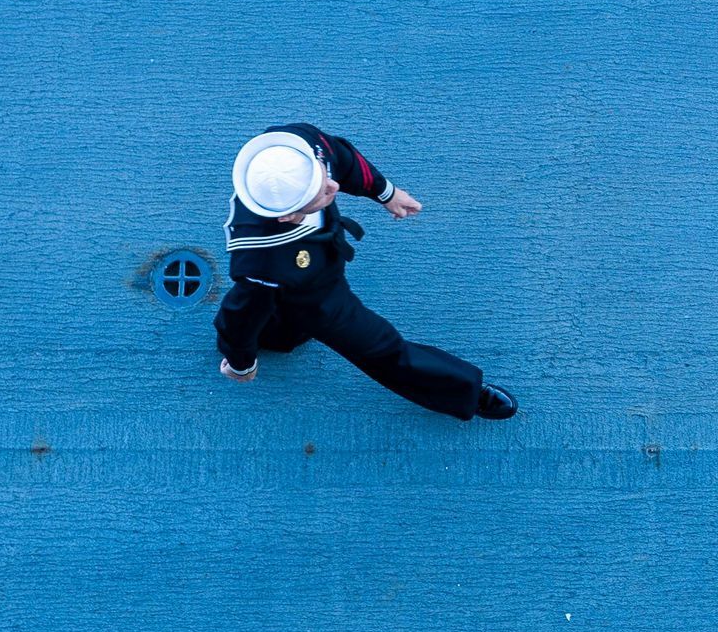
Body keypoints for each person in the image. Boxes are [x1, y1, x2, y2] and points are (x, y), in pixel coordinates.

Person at [213, 124, 517, 421]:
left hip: (306, 267)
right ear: (289, 215)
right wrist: (241, 362)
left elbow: (342, 157)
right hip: (316, 298)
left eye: (323, 177)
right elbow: (242, 312)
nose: (333, 187)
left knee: (276, 323)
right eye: (321, 195)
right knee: (380, 348)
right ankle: (465, 390)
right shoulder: (262, 262)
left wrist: (386, 192)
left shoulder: (297, 148)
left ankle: (277, 336)